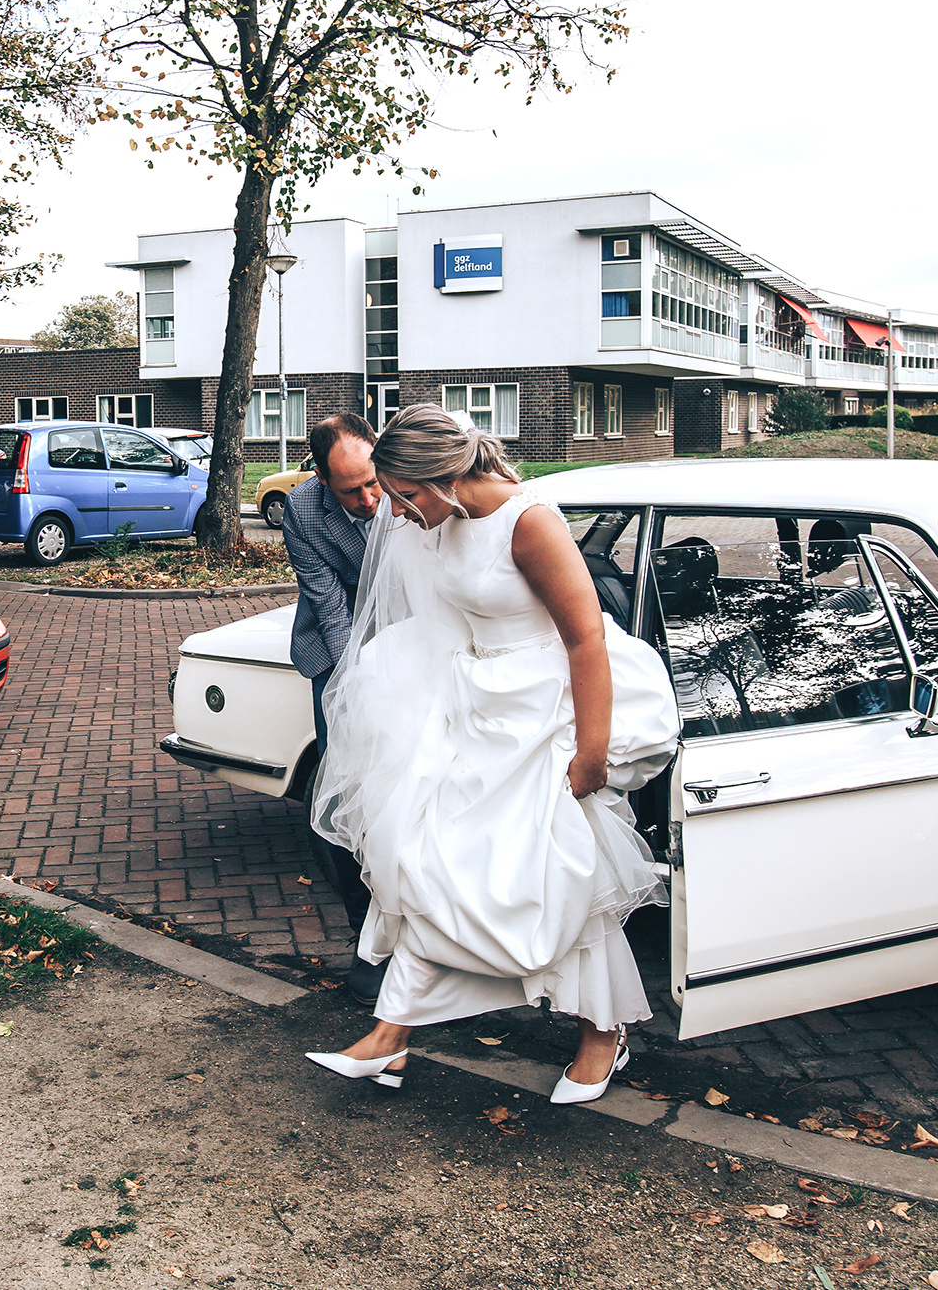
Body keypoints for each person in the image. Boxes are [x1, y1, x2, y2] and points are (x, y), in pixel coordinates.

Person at [303, 405, 679, 1103]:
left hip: (549, 717)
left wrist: (592, 752)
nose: (398, 513)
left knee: (560, 873)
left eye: (405, 496)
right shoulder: (438, 523)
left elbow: (585, 638)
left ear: (441, 476)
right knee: (433, 863)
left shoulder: (529, 521)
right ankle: (391, 1034)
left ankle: (605, 1032)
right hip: (477, 711)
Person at [281, 411, 383, 1004]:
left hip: (414, 640)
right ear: (320, 477)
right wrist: (354, 685)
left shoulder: (402, 488)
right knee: (340, 793)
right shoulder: (302, 511)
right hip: (337, 652)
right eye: (352, 490)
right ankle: (365, 932)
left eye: (373, 482)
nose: (370, 500)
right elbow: (328, 603)